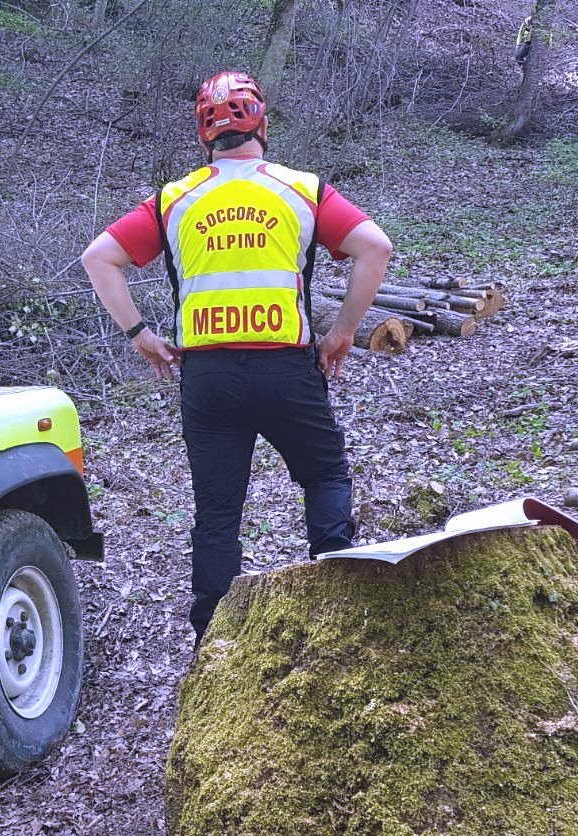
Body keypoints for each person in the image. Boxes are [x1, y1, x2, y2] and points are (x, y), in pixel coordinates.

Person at [80, 70, 394, 644]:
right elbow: (375, 246)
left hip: (208, 377)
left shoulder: (174, 200)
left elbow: (99, 258)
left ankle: (213, 644)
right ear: (263, 123)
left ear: (205, 135)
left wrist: (140, 335)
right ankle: (342, 614)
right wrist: (344, 331)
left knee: (218, 512)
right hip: (287, 370)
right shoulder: (302, 188)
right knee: (324, 475)